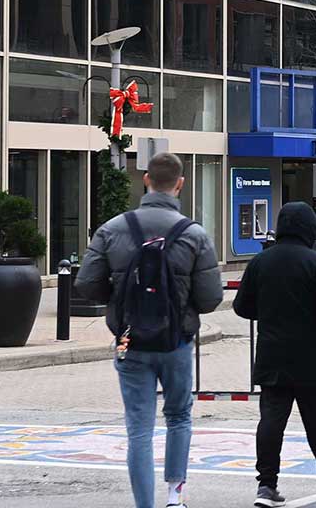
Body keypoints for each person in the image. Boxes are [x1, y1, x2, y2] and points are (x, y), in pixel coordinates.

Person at [75, 153, 223, 508]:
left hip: (131, 341)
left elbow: (86, 283)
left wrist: (120, 303)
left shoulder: (112, 229)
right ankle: (175, 497)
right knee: (178, 416)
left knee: (139, 428)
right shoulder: (194, 234)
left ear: (145, 180)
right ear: (180, 184)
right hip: (176, 342)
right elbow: (210, 298)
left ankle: (145, 504)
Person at [234, 202, 316, 507]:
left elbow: (241, 307)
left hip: (271, 353)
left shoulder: (260, 262)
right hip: (310, 355)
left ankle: (267, 485)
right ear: (310, 229)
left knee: (271, 419)